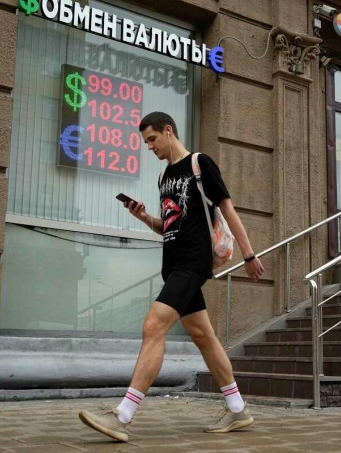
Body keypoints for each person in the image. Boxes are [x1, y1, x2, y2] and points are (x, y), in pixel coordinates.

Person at [78, 112, 265, 442]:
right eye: (145, 142)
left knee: (153, 326)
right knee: (203, 335)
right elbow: (170, 226)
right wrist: (145, 217)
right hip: (174, 265)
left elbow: (228, 209)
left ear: (168, 131)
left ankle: (123, 416)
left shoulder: (199, 163)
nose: (149, 146)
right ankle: (238, 409)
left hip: (193, 263)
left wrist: (249, 255)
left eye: (152, 139)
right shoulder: (164, 177)